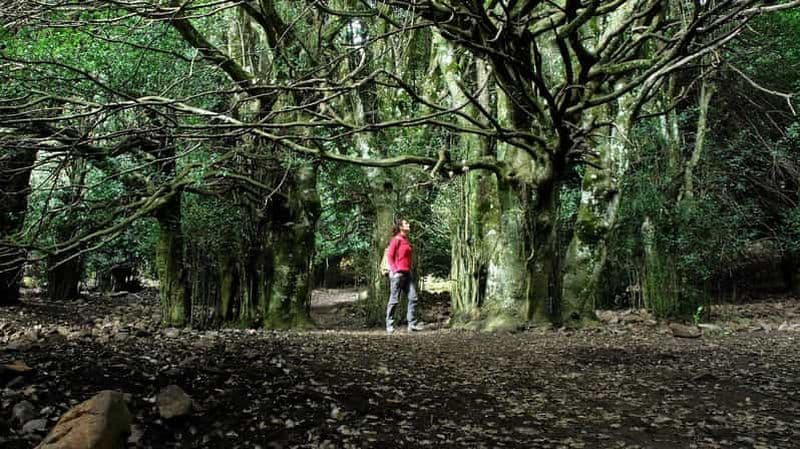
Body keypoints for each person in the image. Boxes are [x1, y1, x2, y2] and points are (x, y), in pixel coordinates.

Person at [384, 219, 423, 334]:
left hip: (407, 274)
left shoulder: (406, 240)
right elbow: (390, 256)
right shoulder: (396, 240)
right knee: (394, 300)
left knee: (413, 298)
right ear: (401, 227)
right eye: (406, 224)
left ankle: (411, 324)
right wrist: (395, 271)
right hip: (397, 275)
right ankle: (389, 325)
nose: (409, 225)